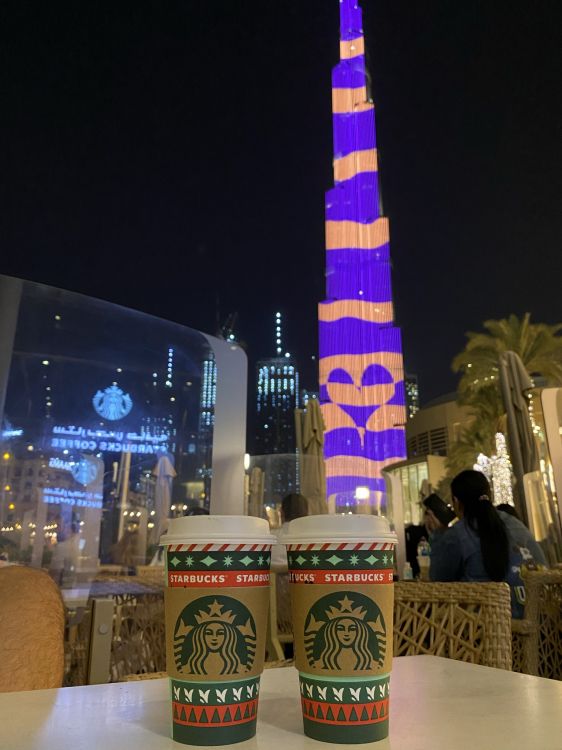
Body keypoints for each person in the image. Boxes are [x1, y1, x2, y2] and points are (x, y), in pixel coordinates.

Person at [427, 470, 546, 617]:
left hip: (489, 630)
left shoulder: (457, 534)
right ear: (489, 495)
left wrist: (438, 534)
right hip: (542, 625)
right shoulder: (515, 523)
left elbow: (437, 579)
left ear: (456, 502)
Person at [271, 493, 309, 569]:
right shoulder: (314, 542)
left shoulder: (268, 539)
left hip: (272, 580)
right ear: (306, 513)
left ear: (281, 512)